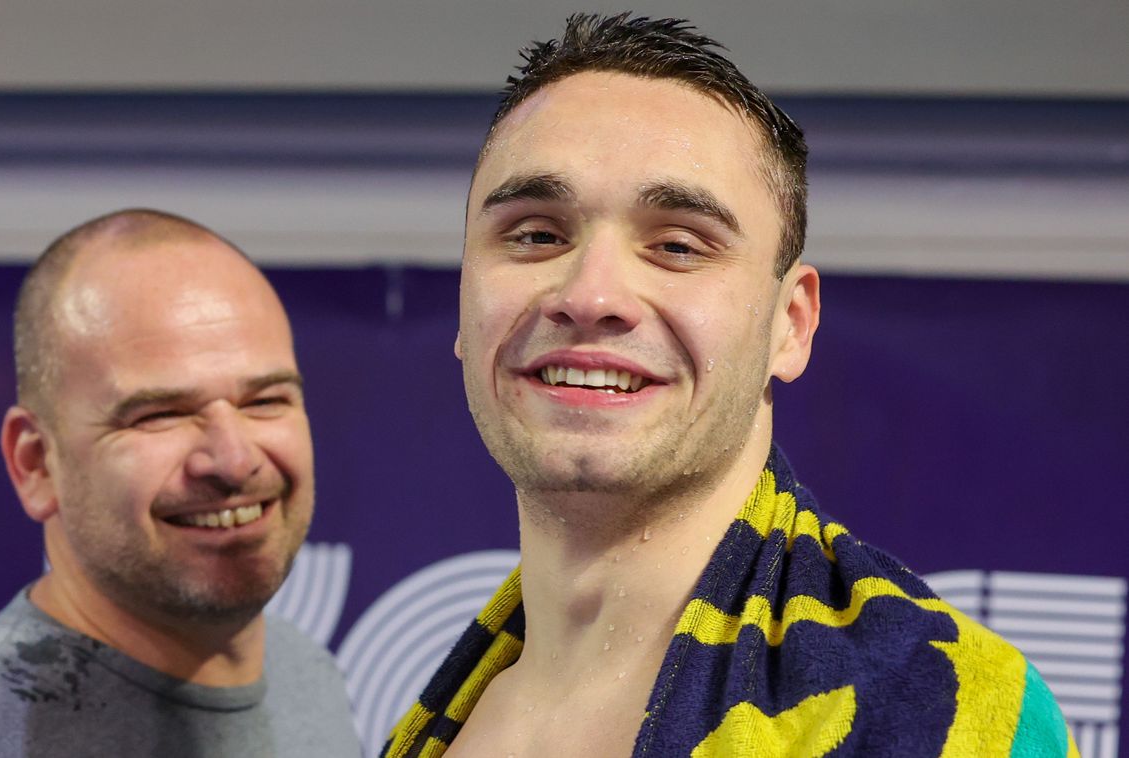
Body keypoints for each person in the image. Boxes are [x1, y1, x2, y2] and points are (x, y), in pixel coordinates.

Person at [386, 14, 1076, 758]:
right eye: (536, 235)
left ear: (791, 325)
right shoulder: (434, 724)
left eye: (677, 246)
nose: (589, 295)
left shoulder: (948, 708)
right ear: (464, 302)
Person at [0, 209, 360, 757]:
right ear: (36, 463)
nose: (235, 460)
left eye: (265, 401)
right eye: (160, 414)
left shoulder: (305, 673)